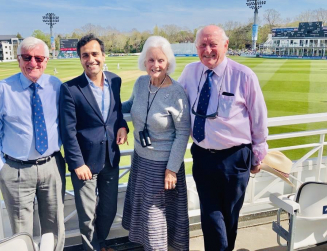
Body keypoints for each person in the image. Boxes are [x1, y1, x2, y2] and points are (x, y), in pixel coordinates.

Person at [178, 25, 268, 251]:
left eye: (213, 44)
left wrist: (257, 157)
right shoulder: (190, 72)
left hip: (234, 159)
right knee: (210, 217)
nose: (207, 50)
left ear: (226, 46)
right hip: (202, 156)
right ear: (196, 47)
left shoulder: (244, 76)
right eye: (202, 45)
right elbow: (173, 99)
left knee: (229, 216)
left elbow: (258, 119)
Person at [0, 37, 66, 251]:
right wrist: (3, 169)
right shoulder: (2, 89)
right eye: (27, 57)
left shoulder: (55, 85)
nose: (33, 63)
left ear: (46, 60)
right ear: (18, 59)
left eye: (39, 58)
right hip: (16, 169)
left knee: (54, 229)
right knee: (21, 236)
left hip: (52, 166)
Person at [59, 34, 128, 251]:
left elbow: (115, 112)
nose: (91, 59)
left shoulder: (115, 81)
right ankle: (93, 249)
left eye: (95, 54)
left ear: (103, 55)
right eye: (85, 55)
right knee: (87, 216)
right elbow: (68, 131)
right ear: (80, 59)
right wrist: (77, 163)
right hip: (85, 164)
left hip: (110, 158)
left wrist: (124, 125)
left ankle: (101, 243)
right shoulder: (70, 89)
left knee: (107, 211)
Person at [122, 36, 190, 251]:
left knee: (156, 220)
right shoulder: (141, 83)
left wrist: (171, 170)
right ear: (145, 62)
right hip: (140, 161)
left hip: (163, 167)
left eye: (160, 60)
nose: (156, 65)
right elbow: (130, 105)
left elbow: (182, 133)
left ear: (168, 62)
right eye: (151, 60)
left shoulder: (177, 92)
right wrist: (109, 112)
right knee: (146, 219)